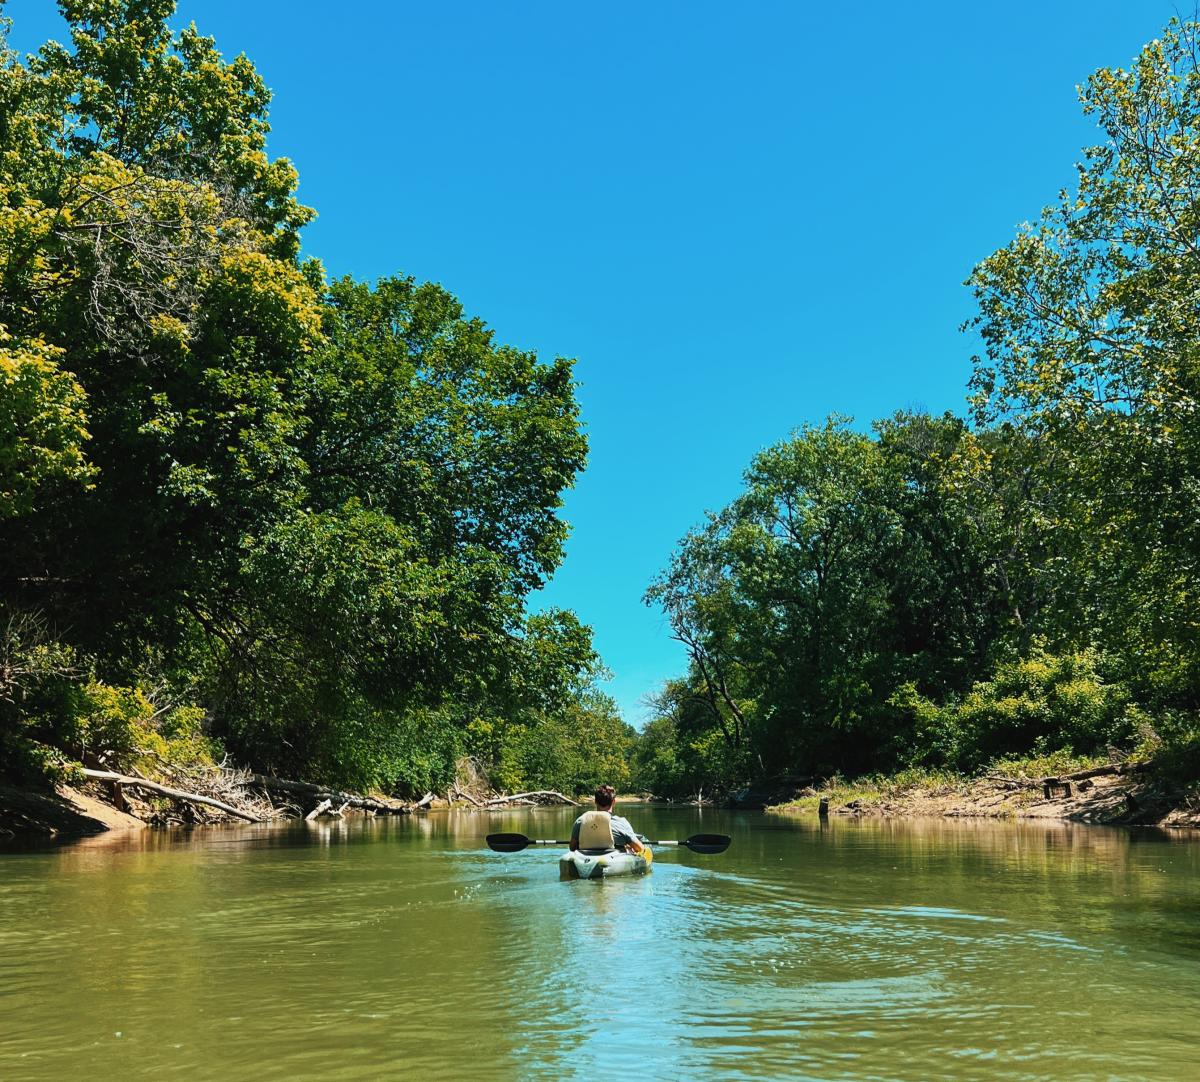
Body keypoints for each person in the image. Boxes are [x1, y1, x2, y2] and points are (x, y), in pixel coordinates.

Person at [569, 784, 645, 854]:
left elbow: (572, 848)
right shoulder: (621, 822)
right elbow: (640, 848)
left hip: (585, 857)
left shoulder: (581, 821)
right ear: (614, 802)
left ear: (595, 801)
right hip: (612, 859)